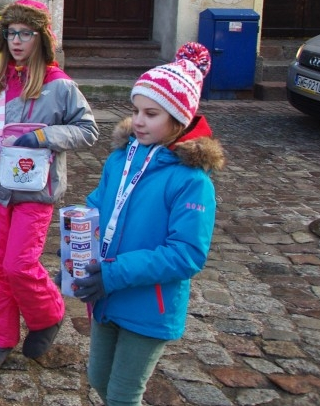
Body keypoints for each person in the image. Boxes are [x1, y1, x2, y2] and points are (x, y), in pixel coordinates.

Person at [77, 43, 222, 406]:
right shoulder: (121, 157)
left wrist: (114, 272)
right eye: (136, 110)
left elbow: (187, 254)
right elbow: (101, 200)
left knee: (124, 395)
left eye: (151, 113)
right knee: (99, 379)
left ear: (179, 118)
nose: (138, 120)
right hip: (106, 293)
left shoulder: (192, 180)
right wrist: (81, 223)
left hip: (149, 303)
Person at [0, 0, 98, 373]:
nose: (17, 41)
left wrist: (45, 136)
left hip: (35, 192)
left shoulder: (60, 87)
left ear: (40, 38)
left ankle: (48, 314)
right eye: (11, 33)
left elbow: (87, 130)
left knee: (19, 264)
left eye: (25, 33)